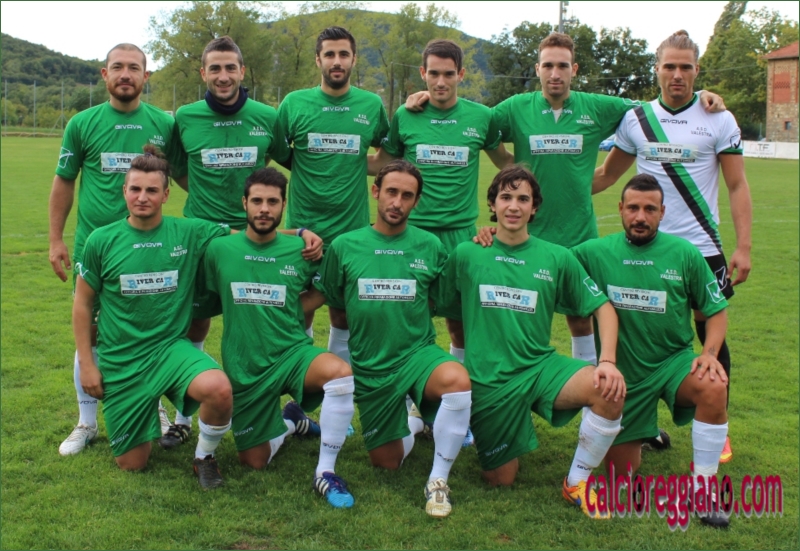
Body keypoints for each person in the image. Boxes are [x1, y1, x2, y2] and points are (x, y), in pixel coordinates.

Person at [415, 33, 722, 387]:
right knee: (518, 314)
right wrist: (424, 97)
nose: (555, 73)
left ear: (574, 69)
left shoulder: (598, 107)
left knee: (581, 317)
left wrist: (700, 97)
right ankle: (495, 388)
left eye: (562, 65)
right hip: (526, 237)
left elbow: (655, 108)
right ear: (537, 69)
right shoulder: (515, 108)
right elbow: (466, 118)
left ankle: (591, 390)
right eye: (548, 65)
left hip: (579, 236)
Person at [592, 30, 751, 462]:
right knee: (639, 333)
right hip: (645, 246)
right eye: (669, 66)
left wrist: (744, 247)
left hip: (701, 246)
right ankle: (642, 424)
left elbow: (737, 185)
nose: (677, 74)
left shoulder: (719, 117)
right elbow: (607, 175)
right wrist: (550, 196)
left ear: (697, 70)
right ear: (657, 69)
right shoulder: (637, 119)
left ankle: (718, 421)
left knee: (708, 328)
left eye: (685, 67)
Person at [438, 165, 624, 519]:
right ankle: (489, 421)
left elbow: (604, 308)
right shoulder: (467, 253)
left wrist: (608, 362)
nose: (514, 206)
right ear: (492, 204)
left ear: (534, 207)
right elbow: (444, 307)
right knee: (500, 479)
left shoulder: (556, 256)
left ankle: (577, 482)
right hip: (490, 380)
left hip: (540, 367)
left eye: (523, 199)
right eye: (505, 197)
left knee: (609, 391)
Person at [165, 35, 321, 449]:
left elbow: (281, 165)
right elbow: (178, 169)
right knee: (193, 322)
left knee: (272, 316)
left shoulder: (267, 116)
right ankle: (182, 419)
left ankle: (290, 409)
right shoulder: (185, 118)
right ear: (203, 72)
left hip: (258, 239)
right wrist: (208, 204)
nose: (223, 76)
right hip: (203, 240)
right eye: (215, 68)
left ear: (242, 71)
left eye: (230, 67)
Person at [306, 160, 472, 518]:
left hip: (417, 355)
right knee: (387, 462)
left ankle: (438, 480)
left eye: (407, 196)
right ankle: (417, 419)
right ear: (376, 191)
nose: (397, 202)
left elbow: (443, 299)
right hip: (372, 367)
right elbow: (329, 299)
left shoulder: (430, 245)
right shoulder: (345, 245)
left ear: (417, 201)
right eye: (391, 192)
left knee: (457, 381)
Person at [573, 174, 730, 527]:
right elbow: (548, 261)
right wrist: (494, 236)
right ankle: (647, 430)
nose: (640, 217)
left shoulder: (684, 254)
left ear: (662, 212)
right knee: (619, 478)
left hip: (674, 364)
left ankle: (703, 489)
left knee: (713, 385)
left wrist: (708, 354)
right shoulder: (594, 252)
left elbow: (716, 310)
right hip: (625, 379)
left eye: (649, 209)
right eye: (633, 208)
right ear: (620, 209)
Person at [49, 43, 183, 456]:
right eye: (118, 67)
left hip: (149, 250)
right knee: (90, 332)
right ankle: (86, 423)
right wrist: (55, 238)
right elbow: (64, 180)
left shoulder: (164, 124)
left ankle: (154, 406)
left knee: (148, 329)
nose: (126, 74)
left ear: (146, 76)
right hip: (96, 248)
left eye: (134, 68)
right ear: (104, 74)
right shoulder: (82, 123)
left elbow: (184, 176)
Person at [72, 146, 233, 489]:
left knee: (219, 389)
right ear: (124, 191)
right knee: (133, 464)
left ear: (166, 195)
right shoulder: (101, 240)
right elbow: (82, 304)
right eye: (135, 189)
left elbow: (248, 240)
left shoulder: (188, 232)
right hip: (123, 361)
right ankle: (144, 407)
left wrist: (299, 235)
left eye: (151, 190)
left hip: (169, 351)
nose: (142, 197)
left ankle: (204, 457)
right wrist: (87, 364)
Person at [201, 167, 356, 508]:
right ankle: (290, 422)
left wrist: (293, 307)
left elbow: (327, 286)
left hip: (292, 354)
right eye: (257, 201)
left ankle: (325, 471)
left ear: (284, 205)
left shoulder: (301, 250)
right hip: (245, 367)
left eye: (273, 202)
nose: (264, 209)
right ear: (244, 203)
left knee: (340, 374)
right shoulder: (219, 249)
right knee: (254, 462)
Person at [369, 38, 511, 369]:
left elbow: (506, 164)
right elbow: (382, 163)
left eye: (448, 74)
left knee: (460, 323)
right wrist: (328, 157)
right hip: (412, 234)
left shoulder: (481, 116)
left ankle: (459, 389)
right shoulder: (406, 115)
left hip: (461, 235)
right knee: (406, 317)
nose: (441, 82)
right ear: (423, 73)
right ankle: (408, 389)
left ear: (461, 74)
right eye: (433, 73)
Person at [276, 26, 390, 365]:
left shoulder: (371, 104)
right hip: (303, 232)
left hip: (350, 233)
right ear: (318, 60)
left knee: (344, 315)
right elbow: (281, 153)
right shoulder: (294, 104)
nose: (336, 61)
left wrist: (351, 162)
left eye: (343, 54)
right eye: (329, 54)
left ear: (354, 59)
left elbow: (385, 155)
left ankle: (338, 389)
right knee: (299, 310)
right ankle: (300, 382)